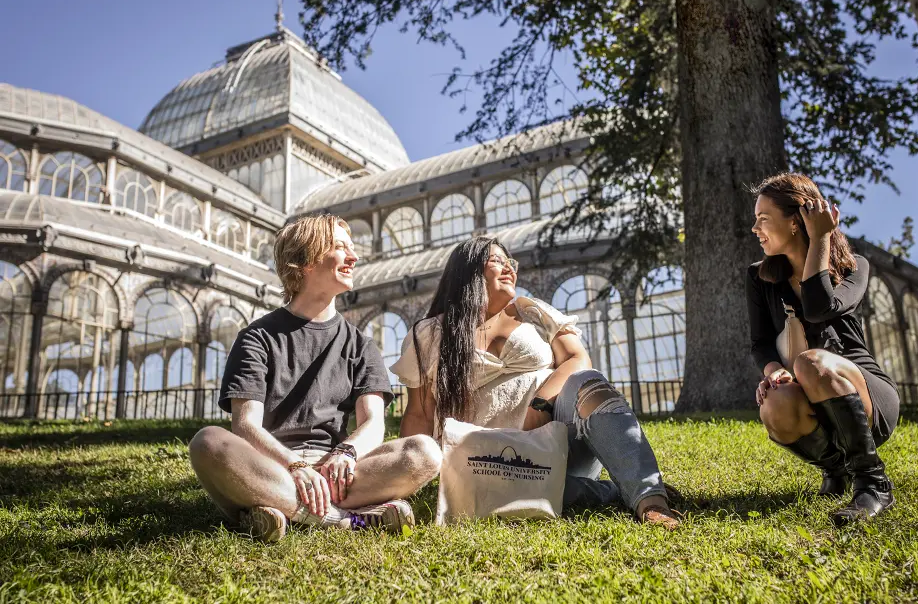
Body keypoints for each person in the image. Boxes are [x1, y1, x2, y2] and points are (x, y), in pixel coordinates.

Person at [393, 236, 679, 529]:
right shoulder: (429, 334)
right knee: (506, 490)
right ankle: (618, 491)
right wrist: (409, 474)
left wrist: (541, 403)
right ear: (468, 270)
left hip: (557, 440)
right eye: (497, 261)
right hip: (487, 464)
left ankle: (650, 499)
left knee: (590, 384)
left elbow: (577, 359)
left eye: (511, 263)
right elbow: (420, 414)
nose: (509, 270)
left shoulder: (533, 312)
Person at [188, 214, 442, 542]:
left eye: (352, 249)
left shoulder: (361, 345)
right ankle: (348, 521)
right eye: (339, 247)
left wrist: (346, 453)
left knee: (425, 451)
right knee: (207, 442)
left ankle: (276, 512)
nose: (353, 257)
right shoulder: (257, 337)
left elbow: (374, 424)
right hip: (271, 466)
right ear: (305, 261)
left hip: (337, 472)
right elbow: (246, 427)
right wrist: (295, 467)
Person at [747, 172, 898, 526]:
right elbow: (760, 344)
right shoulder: (759, 277)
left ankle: (873, 482)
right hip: (809, 392)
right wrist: (774, 371)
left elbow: (818, 308)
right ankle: (836, 470)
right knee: (776, 404)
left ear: (797, 222)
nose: (755, 229)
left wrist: (821, 239)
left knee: (810, 362)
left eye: (763, 220)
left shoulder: (853, 267)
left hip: (867, 398)